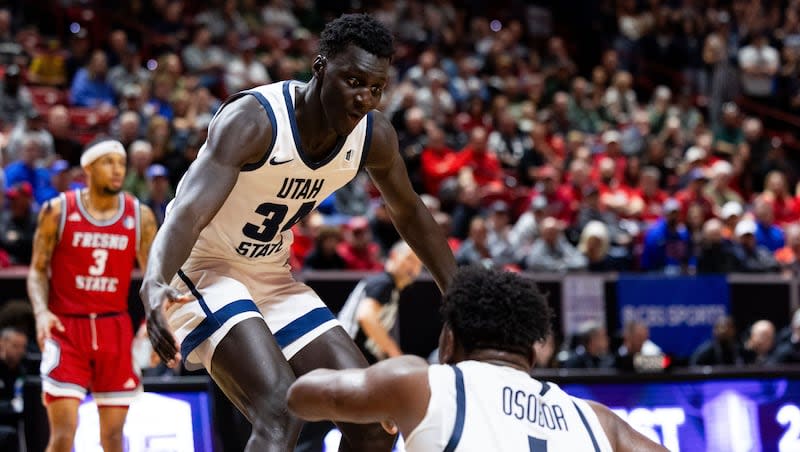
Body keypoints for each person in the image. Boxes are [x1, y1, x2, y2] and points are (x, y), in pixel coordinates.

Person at [139, 14, 456, 452]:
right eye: (353, 81)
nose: (364, 97)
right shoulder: (254, 120)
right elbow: (186, 214)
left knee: (371, 421)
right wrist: (154, 282)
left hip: (270, 274)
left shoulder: (372, 136)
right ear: (320, 67)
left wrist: (459, 298)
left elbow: (411, 213)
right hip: (201, 268)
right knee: (279, 409)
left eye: (375, 88)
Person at [287, 266, 667, 452]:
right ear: (534, 351)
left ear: (449, 340)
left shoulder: (419, 384)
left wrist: (381, 402)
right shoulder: (597, 420)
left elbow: (301, 395)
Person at [26, 139, 158, 452]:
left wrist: (154, 326)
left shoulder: (140, 216)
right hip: (67, 329)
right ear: (87, 169)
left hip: (115, 329)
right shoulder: (58, 210)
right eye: (108, 162)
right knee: (63, 435)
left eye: (122, 164)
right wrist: (41, 312)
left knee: (113, 439)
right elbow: (36, 271)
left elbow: (156, 279)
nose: (117, 170)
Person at [338, 241, 423, 363]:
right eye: (410, 259)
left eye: (419, 264)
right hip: (348, 353)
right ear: (394, 256)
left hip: (352, 353)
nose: (414, 267)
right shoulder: (384, 283)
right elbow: (366, 316)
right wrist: (396, 355)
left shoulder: (390, 287)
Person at [0, 326, 27, 452]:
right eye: (15, 346)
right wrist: (10, 406)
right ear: (2, 343)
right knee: (8, 435)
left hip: (15, 421)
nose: (20, 351)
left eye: (23, 347)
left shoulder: (22, 370)